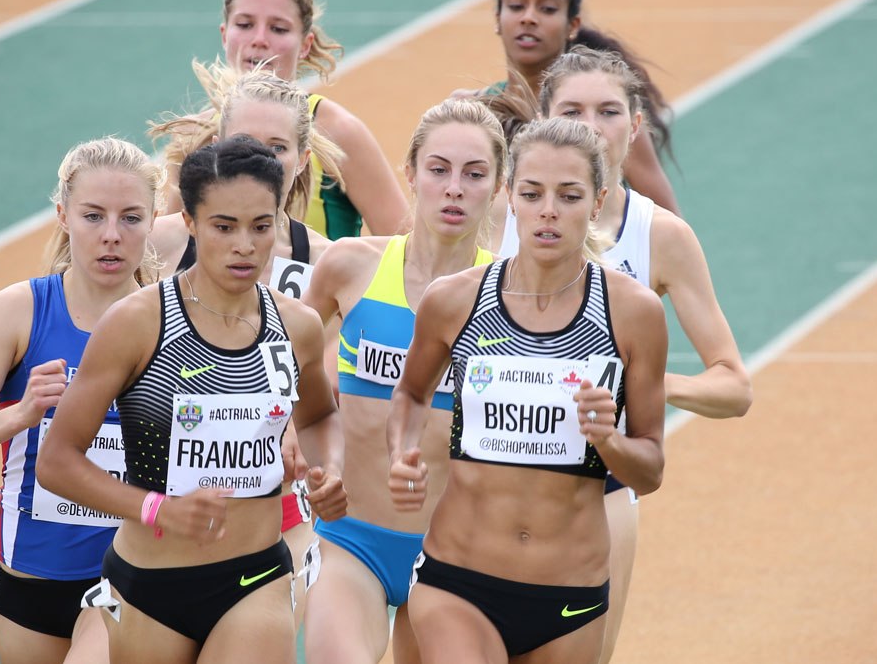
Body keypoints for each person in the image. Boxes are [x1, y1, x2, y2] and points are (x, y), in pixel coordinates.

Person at [36, 136, 347, 664]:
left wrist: (327, 469)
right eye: (224, 227)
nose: (245, 245)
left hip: (257, 575)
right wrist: (155, 508)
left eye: (261, 226)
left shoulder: (297, 326)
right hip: (150, 586)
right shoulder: (137, 323)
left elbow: (319, 416)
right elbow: (57, 462)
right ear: (189, 223)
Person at [388, 117, 668, 664]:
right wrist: (402, 452)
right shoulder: (455, 301)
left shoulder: (633, 314)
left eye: (569, 196)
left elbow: (651, 469)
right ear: (509, 196)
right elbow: (412, 393)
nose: (548, 211)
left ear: (598, 200)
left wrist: (608, 441)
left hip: (570, 596)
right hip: (458, 581)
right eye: (532, 193)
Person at [504, 47, 753, 662]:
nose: (592, 125)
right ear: (542, 118)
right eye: (573, 109)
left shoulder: (658, 235)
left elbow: (733, 386)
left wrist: (641, 387)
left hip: (600, 489)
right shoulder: (499, 215)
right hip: (489, 479)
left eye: (609, 111)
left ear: (635, 126)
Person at [0, 138, 162, 663]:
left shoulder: (173, 323)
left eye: (131, 218)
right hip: (27, 578)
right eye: (94, 216)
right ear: (62, 215)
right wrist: (23, 415)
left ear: (154, 220)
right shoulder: (20, 312)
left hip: (129, 573)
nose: (112, 236)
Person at [300, 98, 504, 664]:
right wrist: (301, 438)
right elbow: (275, 358)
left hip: (452, 556)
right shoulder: (349, 267)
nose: (454, 188)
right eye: (438, 170)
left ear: (498, 185)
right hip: (350, 540)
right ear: (409, 173)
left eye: (474, 174)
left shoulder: (506, 300)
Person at [150, 63, 344, 627]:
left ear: (303, 159)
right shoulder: (164, 242)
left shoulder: (325, 262)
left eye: (278, 147)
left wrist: (301, 439)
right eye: (246, 144)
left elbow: (319, 388)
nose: (262, 160)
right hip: (170, 498)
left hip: (279, 503)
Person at [161, 0, 409, 238]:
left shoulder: (338, 132)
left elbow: (404, 247)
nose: (259, 39)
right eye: (244, 24)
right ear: (224, 35)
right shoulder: (193, 137)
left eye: (278, 28)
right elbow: (170, 249)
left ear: (305, 44)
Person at [459, 0, 680, 217]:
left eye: (548, 9)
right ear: (498, 18)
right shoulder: (472, 111)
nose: (529, 18)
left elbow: (668, 221)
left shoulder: (611, 117)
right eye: (517, 6)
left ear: (572, 24)